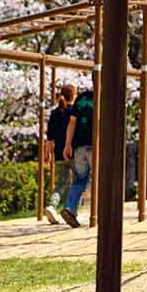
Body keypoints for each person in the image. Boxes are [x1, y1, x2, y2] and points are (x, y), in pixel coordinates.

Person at [61, 86, 94, 228]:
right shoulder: (105, 97)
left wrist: (67, 144)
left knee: (79, 180)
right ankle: (99, 212)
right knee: (101, 179)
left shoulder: (81, 98)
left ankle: (70, 208)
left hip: (79, 145)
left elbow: (72, 123)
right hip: (95, 145)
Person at [44, 84, 76, 225]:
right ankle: (70, 210)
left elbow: (50, 137)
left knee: (61, 183)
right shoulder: (74, 112)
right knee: (77, 183)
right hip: (74, 152)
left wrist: (47, 153)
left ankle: (52, 206)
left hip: (58, 154)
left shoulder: (55, 113)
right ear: (73, 95)